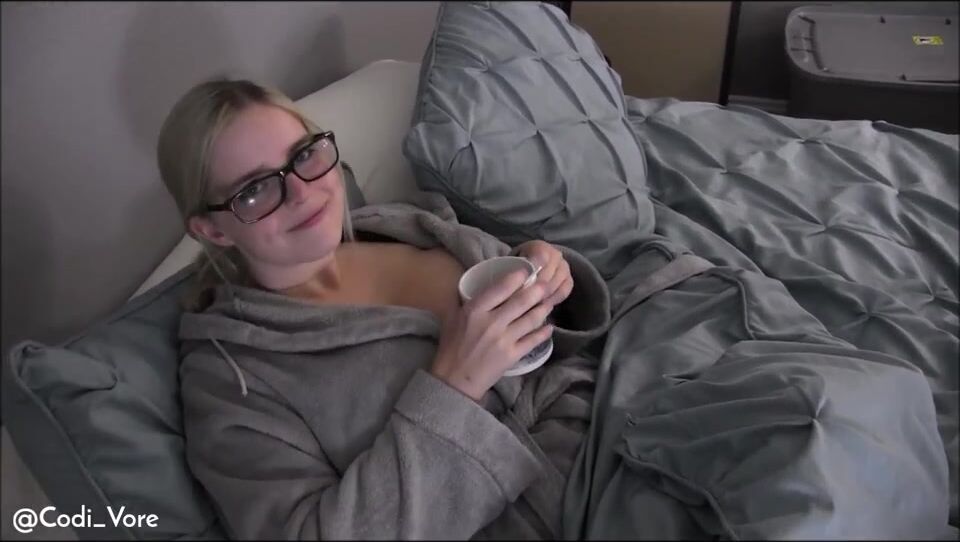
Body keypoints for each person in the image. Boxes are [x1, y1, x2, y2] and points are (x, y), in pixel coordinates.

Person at [158, 77, 612, 539]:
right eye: (254, 189)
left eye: (303, 155)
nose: (301, 191)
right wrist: (456, 387)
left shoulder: (397, 223)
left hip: (619, 398)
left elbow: (544, 333)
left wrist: (544, 271)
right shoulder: (230, 378)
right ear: (213, 231)